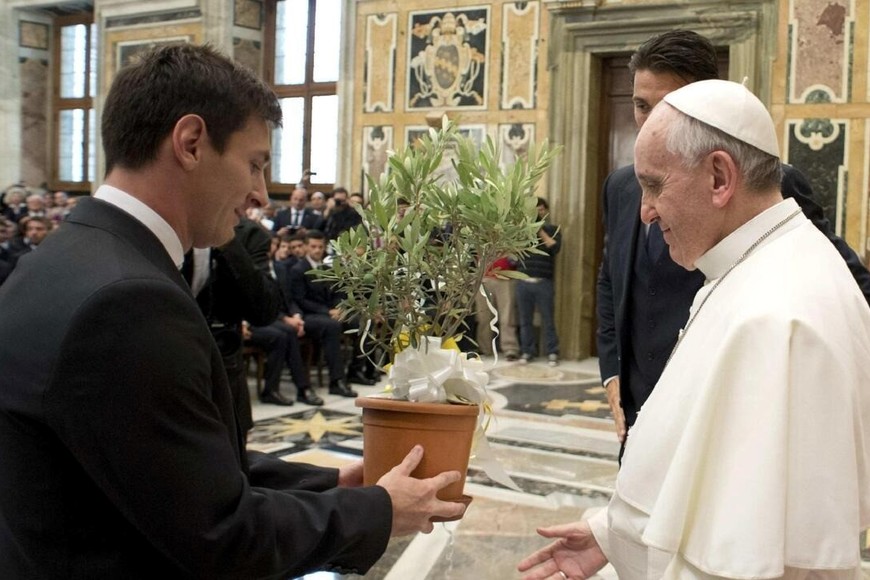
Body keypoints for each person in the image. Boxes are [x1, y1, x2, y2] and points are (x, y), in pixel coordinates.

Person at [0, 43, 465, 579]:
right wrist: (380, 512)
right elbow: (221, 536)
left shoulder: (61, 259)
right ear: (191, 143)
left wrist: (329, 486)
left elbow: (171, 471)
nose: (260, 195)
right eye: (255, 164)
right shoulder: (127, 302)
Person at [520, 79, 870, 579]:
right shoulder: (754, 266)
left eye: (655, 185)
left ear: (719, 177)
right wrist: (612, 535)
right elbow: (708, 473)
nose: (643, 211)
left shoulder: (776, 316)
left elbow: (741, 558)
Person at [595, 30, 870, 454]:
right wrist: (612, 373)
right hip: (639, 425)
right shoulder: (619, 187)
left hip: (720, 423)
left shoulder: (770, 186)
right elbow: (610, 279)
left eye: (668, 107)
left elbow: (849, 285)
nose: (650, 124)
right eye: (640, 106)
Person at [516, 197, 562, 366]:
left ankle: (552, 352)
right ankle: (527, 351)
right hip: (523, 282)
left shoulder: (553, 229)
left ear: (546, 211)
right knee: (524, 320)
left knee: (548, 319)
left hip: (544, 282)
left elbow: (554, 247)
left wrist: (539, 229)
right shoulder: (523, 231)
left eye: (541, 210)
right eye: (535, 210)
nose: (538, 213)